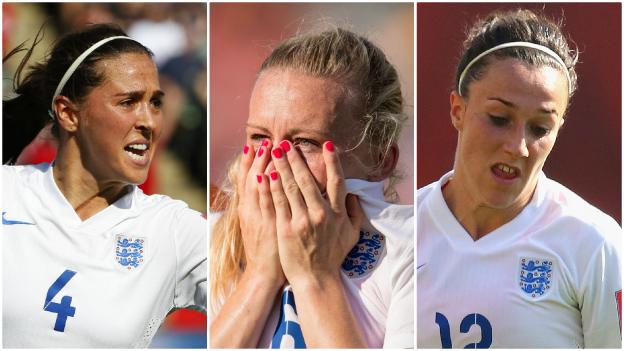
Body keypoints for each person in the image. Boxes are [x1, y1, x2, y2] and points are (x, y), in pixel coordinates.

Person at [417, 9, 622, 348]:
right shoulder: (404, 234)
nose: (518, 147)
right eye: (499, 118)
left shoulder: (594, 243)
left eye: (540, 128)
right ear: (458, 110)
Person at [2, 24, 206, 348]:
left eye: (155, 103)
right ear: (69, 114)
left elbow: (269, 294)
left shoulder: (173, 230)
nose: (150, 121)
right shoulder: (8, 193)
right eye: (128, 102)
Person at [210, 28, 414, 348]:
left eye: (305, 143)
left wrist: (314, 278)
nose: (276, 165)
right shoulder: (214, 242)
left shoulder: (414, 253)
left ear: (381, 158)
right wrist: (261, 274)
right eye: (260, 138)